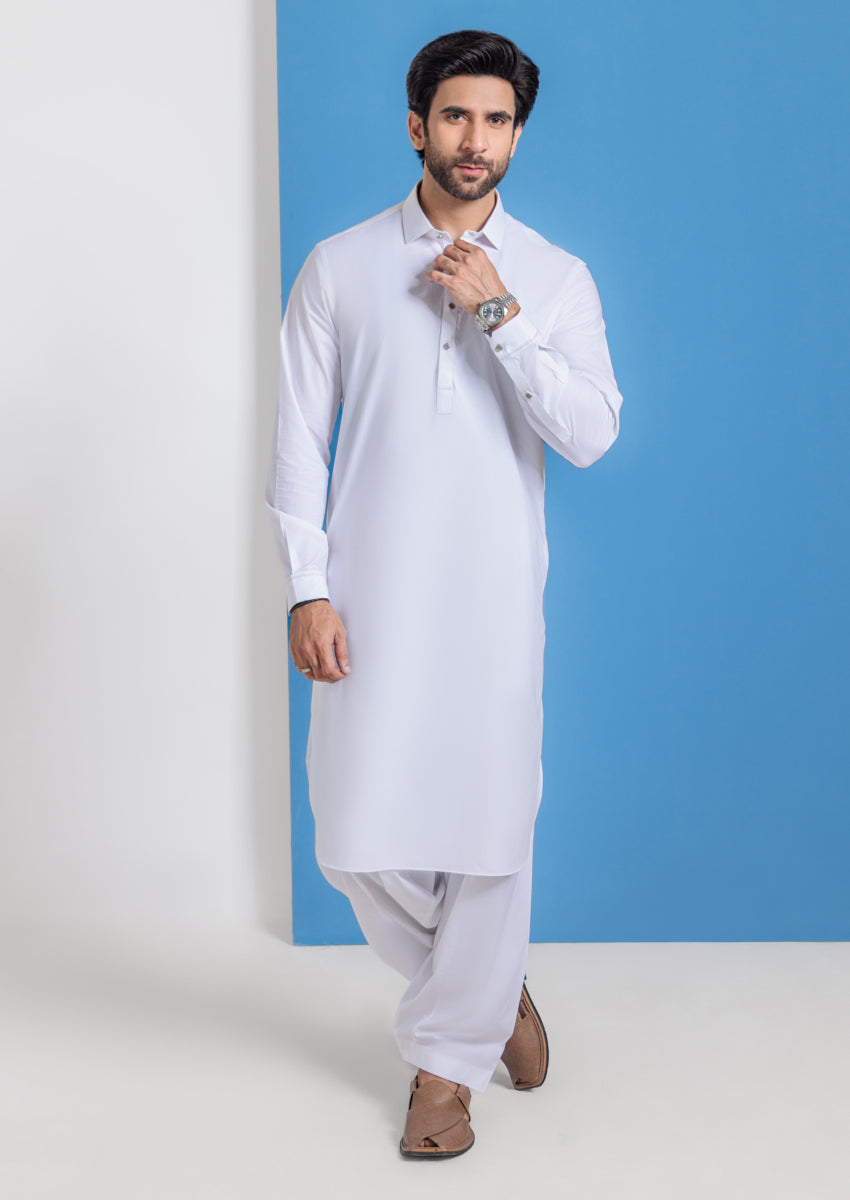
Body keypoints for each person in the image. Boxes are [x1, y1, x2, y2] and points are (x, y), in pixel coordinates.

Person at [266, 29, 623, 1159]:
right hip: (365, 594)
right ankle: (488, 990)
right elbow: (296, 444)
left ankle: (442, 1074)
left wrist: (498, 311)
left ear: (518, 134)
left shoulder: (553, 277)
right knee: (352, 837)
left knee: (486, 833)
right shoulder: (339, 266)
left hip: (492, 599)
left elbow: (591, 434)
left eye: (498, 120)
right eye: (457, 116)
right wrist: (307, 588)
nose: (477, 141)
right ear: (418, 124)